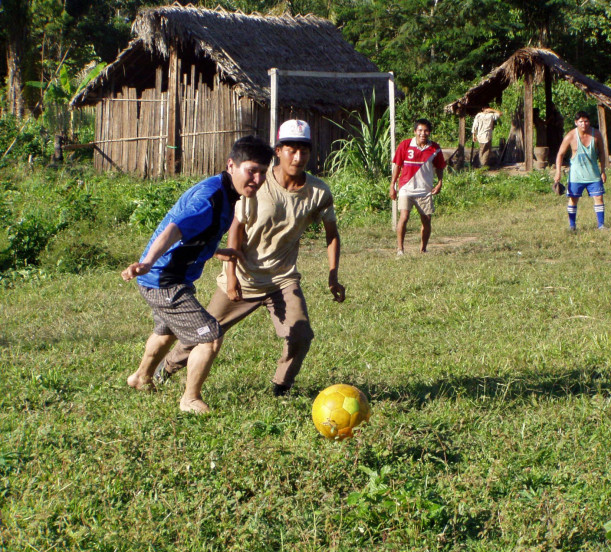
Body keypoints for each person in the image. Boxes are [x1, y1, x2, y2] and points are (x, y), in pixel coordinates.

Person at [154, 119, 346, 397]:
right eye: (291, 149)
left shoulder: (318, 192)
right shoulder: (258, 185)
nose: (298, 156)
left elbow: (332, 233)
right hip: (243, 279)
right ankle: (167, 368)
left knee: (301, 335)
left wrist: (333, 274)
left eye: (304, 150)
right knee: (204, 333)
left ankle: (282, 386)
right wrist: (231, 277)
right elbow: (236, 229)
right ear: (278, 151)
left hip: (282, 279)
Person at [122, 136, 274, 413]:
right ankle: (189, 399)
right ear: (231, 165)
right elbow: (174, 229)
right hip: (164, 280)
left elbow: (196, 234)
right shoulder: (211, 197)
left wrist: (216, 251)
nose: (257, 178)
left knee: (167, 331)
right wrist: (146, 262)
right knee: (210, 335)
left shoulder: (226, 192)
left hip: (169, 277)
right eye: (251, 170)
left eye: (263, 172)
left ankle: (141, 377)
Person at [389, 118, 446, 255]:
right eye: (420, 130)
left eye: (426, 131)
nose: (422, 133)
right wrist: (392, 185)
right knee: (404, 217)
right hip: (406, 188)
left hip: (425, 190)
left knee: (426, 219)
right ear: (415, 131)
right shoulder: (405, 145)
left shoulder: (434, 148)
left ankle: (423, 249)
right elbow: (397, 165)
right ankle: (400, 249)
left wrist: (440, 182)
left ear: (429, 132)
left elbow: (439, 167)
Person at [554, 111, 607, 231]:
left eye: (586, 121)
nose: (584, 124)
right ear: (576, 123)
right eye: (581, 121)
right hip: (576, 176)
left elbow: (602, 153)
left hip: (593, 174)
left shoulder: (596, 134)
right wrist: (558, 172)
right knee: (573, 199)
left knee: (599, 197)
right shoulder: (571, 136)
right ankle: (572, 226)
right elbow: (560, 154)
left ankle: (601, 225)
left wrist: (603, 170)